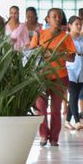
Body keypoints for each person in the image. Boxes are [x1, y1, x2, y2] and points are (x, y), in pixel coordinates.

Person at [28, 8, 76, 147]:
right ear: (47, 19)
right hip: (41, 77)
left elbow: (72, 58)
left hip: (60, 76)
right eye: (53, 16)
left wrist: (58, 54)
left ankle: (54, 137)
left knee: (56, 110)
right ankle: (43, 135)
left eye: (59, 16)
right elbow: (31, 53)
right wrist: (42, 52)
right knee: (41, 109)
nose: (57, 18)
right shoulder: (39, 34)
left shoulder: (65, 37)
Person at [64, 16, 83, 131]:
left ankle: (67, 121)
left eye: (80, 24)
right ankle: (77, 120)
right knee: (73, 94)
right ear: (70, 25)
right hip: (70, 68)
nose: (79, 26)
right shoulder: (66, 38)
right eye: (76, 24)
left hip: (82, 66)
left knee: (75, 95)